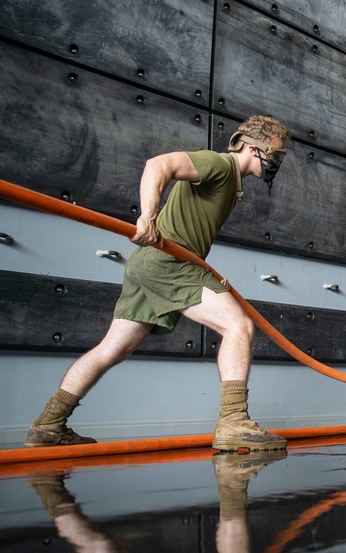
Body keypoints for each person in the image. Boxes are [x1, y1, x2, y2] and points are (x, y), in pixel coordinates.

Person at [24, 115, 292, 452]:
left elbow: (186, 230)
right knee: (239, 327)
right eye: (276, 155)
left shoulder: (228, 183)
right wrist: (147, 217)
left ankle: (48, 425)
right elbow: (159, 164)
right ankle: (234, 422)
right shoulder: (220, 165)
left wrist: (205, 269)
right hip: (168, 263)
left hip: (154, 265)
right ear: (254, 148)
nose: (276, 164)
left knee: (112, 349)